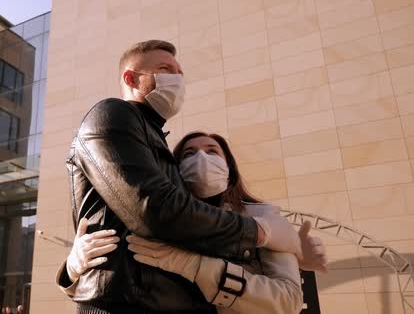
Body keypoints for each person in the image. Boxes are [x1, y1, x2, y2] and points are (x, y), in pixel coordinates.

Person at [56, 40, 304, 313]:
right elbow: (154, 209)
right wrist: (257, 233)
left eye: (180, 73)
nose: (177, 79)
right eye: (165, 69)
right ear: (131, 78)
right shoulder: (114, 114)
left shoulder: (154, 140)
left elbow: (287, 299)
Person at [63, 132, 328, 313]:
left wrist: (198, 267)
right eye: (188, 154)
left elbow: (288, 302)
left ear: (229, 168)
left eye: (212, 151)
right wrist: (73, 270)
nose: (201, 158)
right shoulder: (157, 220)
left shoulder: (265, 222)